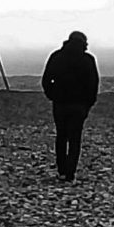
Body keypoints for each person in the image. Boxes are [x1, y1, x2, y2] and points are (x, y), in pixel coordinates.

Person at [41, 30, 99, 181]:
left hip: (60, 103)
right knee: (75, 138)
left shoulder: (57, 56)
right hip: (79, 105)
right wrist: (89, 103)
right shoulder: (87, 59)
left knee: (61, 135)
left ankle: (62, 169)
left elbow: (46, 79)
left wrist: (52, 95)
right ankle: (70, 172)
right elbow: (93, 84)